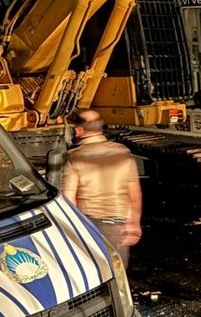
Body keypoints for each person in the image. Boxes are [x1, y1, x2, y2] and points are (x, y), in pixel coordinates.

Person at [60, 109, 143, 268]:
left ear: (78, 130)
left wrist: (74, 230)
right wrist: (133, 222)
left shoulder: (74, 158)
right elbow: (134, 193)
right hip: (118, 225)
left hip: (91, 225)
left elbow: (69, 199)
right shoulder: (122, 153)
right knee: (118, 275)